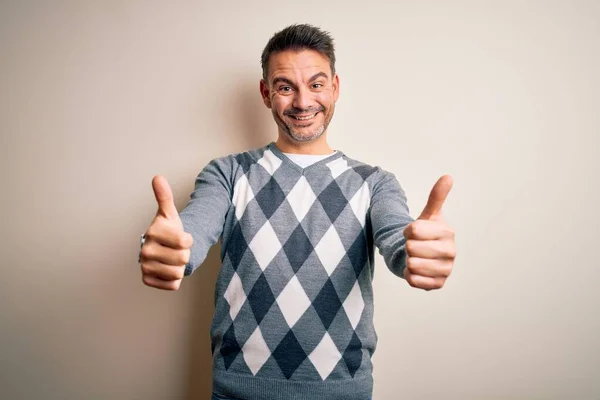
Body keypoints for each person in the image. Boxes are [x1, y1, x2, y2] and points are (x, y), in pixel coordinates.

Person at [139, 24, 456, 400]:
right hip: (236, 391)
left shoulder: (375, 183)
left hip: (343, 392)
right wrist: (172, 248)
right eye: (286, 87)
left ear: (335, 87)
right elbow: (192, 231)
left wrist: (416, 254)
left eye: (317, 85)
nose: (303, 102)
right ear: (266, 93)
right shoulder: (227, 173)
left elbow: (398, 240)